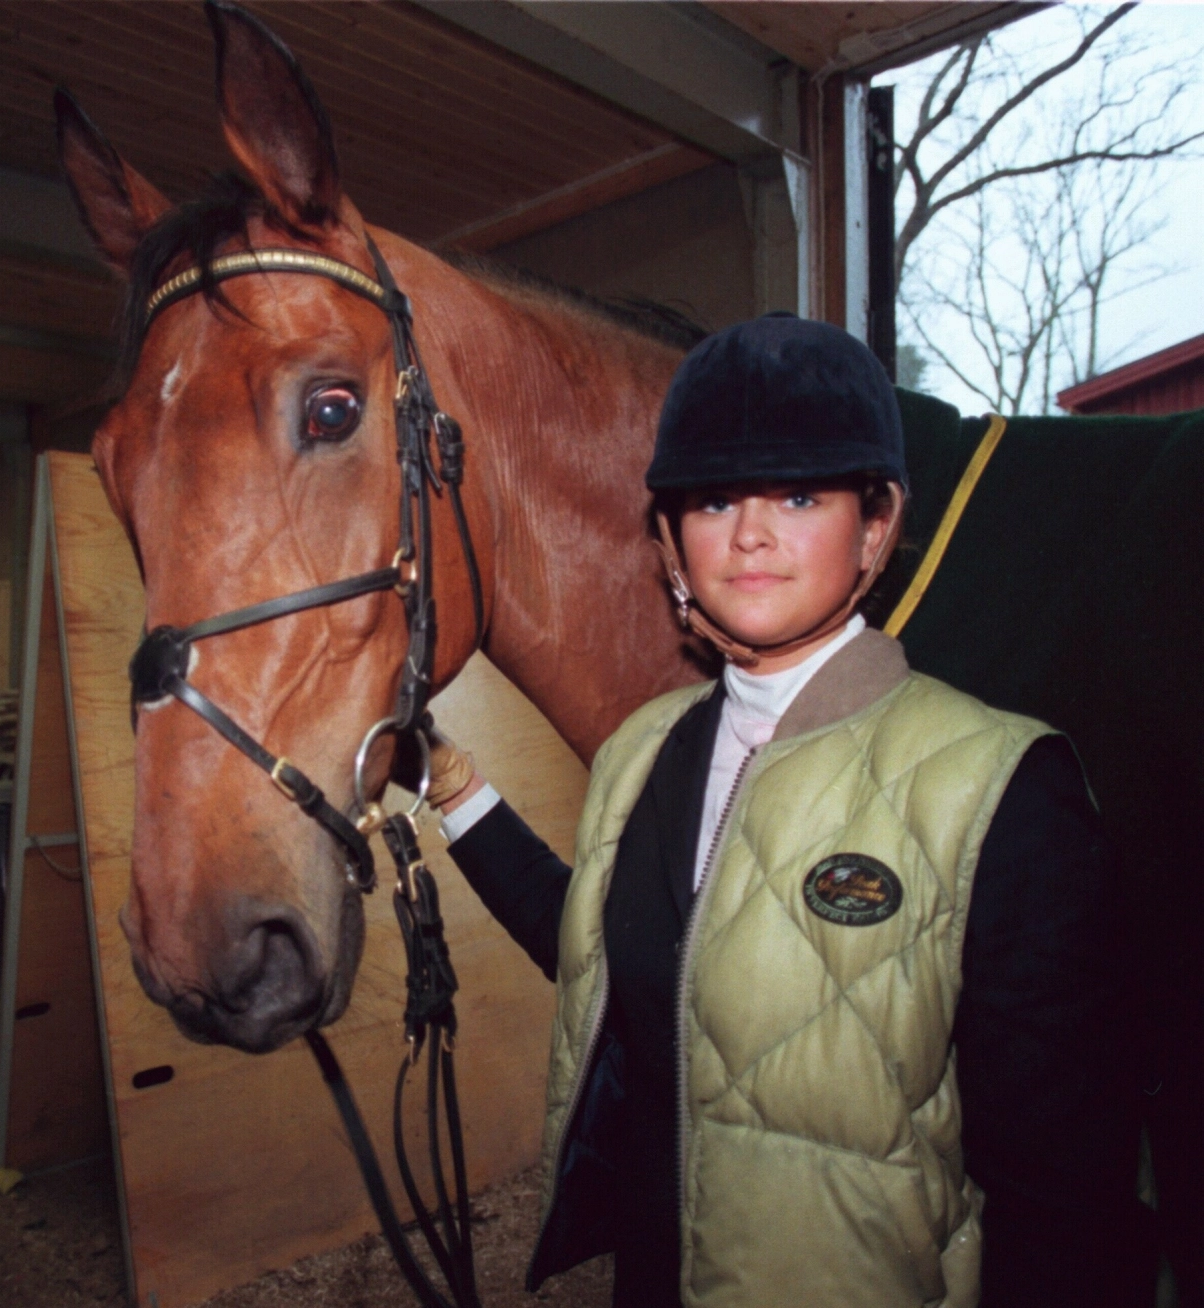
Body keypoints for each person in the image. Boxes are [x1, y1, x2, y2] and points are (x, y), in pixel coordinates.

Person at [424, 317, 1149, 1308]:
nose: (751, 533)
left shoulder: (1001, 787)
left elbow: (1064, 1206)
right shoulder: (641, 750)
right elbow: (613, 964)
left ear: (876, 525)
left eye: (800, 493)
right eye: (715, 497)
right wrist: (451, 787)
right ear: (667, 540)